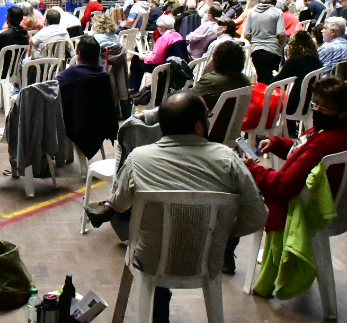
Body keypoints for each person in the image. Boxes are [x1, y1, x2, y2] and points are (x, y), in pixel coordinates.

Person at [87, 93, 267, 322]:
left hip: (152, 261)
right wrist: (224, 233)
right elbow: (258, 215)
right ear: (200, 126)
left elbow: (119, 204)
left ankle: (159, 313)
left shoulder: (139, 158)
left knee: (156, 231)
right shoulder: (228, 159)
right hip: (207, 258)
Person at [240, 76, 347, 255]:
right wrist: (277, 143)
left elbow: (286, 184)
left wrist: (253, 168)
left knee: (238, 190)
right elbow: (306, 155)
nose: (317, 110)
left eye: (325, 107)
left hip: (301, 208)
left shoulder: (326, 142)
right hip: (334, 205)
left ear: (342, 112)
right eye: (316, 104)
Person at [192, 40, 252, 142]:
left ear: (216, 60)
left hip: (209, 134)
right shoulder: (245, 81)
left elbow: (187, 99)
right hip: (233, 134)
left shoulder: (211, 81)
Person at [272, 30, 323, 115]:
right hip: (309, 102)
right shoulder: (317, 60)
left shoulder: (295, 60)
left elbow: (273, 83)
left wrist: (279, 73)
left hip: (294, 105)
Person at [129, 15, 182, 91]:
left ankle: (133, 88)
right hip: (174, 64)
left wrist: (144, 57)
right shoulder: (178, 35)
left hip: (162, 66)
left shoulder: (163, 38)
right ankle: (133, 88)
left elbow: (155, 59)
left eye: (158, 27)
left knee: (136, 61)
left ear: (163, 27)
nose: (157, 29)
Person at [243, 0, 286, 84]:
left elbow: (246, 34)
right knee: (270, 79)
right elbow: (281, 34)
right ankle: (268, 97)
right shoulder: (277, 12)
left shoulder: (252, 12)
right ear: (274, 3)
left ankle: (260, 97)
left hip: (256, 51)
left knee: (260, 78)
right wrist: (281, 45)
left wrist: (255, 41)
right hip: (273, 50)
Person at [0, 6, 29, 76]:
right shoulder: (25, 33)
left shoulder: (4, 34)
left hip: (0, 70)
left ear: (7, 18)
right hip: (15, 69)